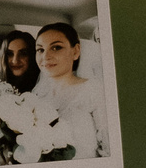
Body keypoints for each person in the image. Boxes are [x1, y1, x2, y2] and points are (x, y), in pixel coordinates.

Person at [30, 20, 107, 160]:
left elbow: (108, 149)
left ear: (76, 51)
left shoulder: (94, 90)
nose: (45, 56)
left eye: (56, 47)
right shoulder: (36, 96)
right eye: (40, 49)